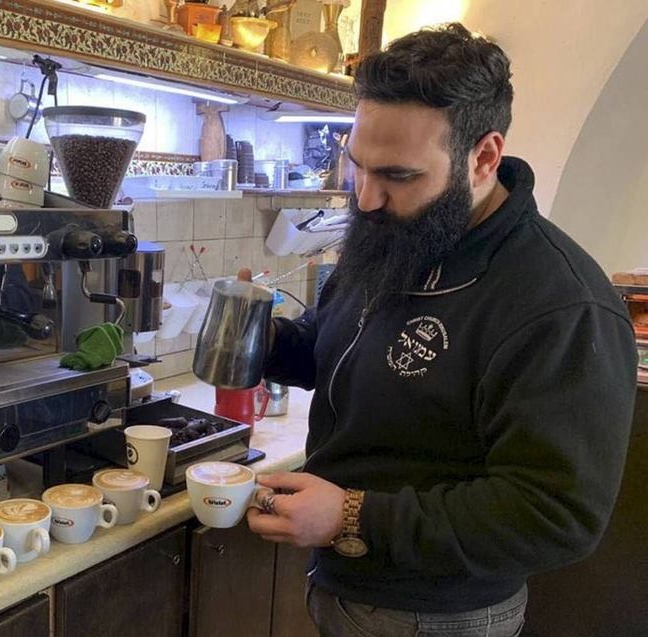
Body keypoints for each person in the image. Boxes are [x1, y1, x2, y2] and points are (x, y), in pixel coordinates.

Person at [244, 23, 637, 637]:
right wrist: (266, 341)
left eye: (398, 176)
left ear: (483, 157)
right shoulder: (399, 236)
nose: (366, 199)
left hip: (438, 615)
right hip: (344, 584)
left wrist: (352, 515)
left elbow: (556, 515)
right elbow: (341, 350)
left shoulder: (561, 304)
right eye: (357, 168)